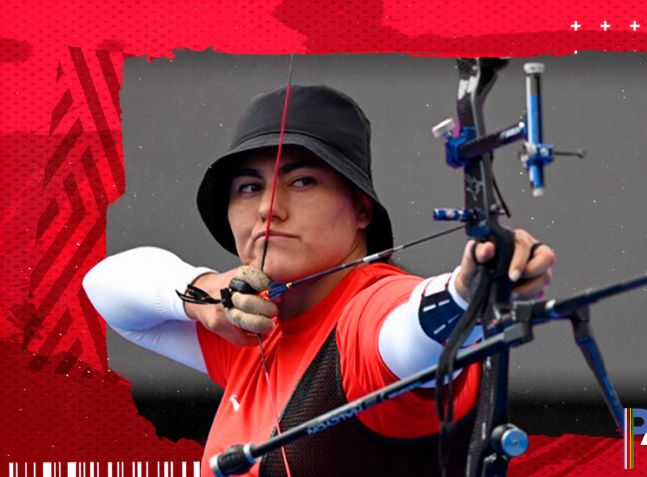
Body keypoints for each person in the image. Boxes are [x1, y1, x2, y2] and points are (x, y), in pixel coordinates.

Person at [83, 85, 555, 477]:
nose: (269, 206)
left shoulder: (367, 312)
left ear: (361, 211)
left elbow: (406, 331)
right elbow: (104, 285)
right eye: (249, 187)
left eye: (303, 180)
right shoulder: (251, 326)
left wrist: (465, 292)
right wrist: (202, 298)